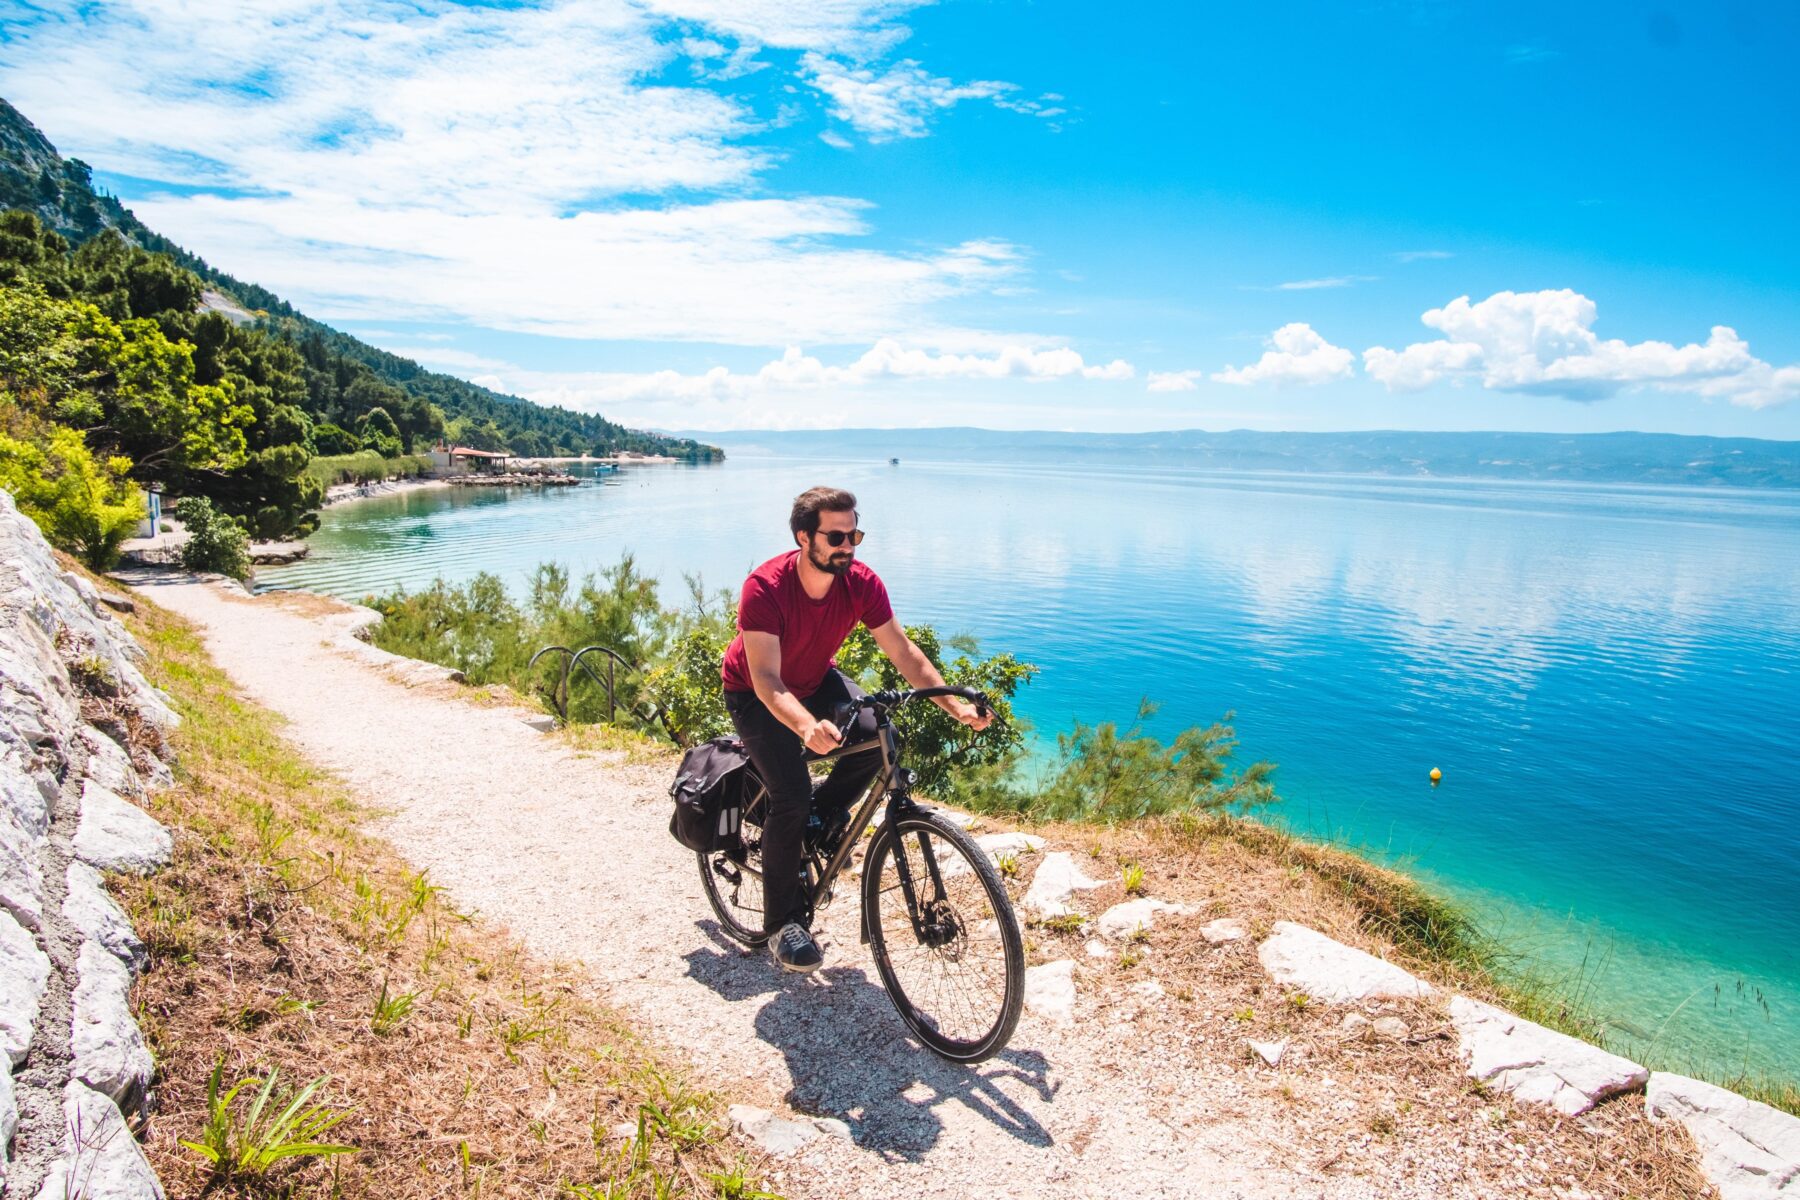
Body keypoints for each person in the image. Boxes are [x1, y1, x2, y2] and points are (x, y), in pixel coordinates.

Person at [720, 486, 991, 973]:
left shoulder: (861, 583)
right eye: (837, 536)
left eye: (855, 534)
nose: (849, 546)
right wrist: (806, 727)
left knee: (874, 732)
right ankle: (783, 924)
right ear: (805, 537)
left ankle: (819, 822)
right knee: (790, 796)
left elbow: (904, 652)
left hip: (813, 675)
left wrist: (954, 705)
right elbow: (766, 679)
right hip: (756, 692)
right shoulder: (765, 588)